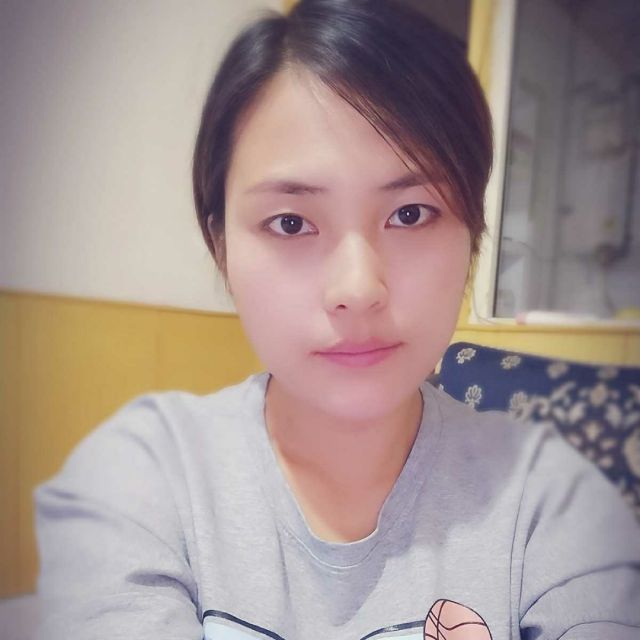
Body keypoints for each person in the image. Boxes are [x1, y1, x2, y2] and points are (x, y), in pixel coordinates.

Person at [34, 0, 640, 638]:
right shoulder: (140, 476)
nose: (357, 288)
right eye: (291, 222)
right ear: (221, 246)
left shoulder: (552, 499)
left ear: (473, 237)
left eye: (411, 214)